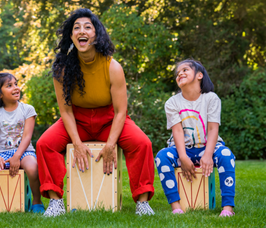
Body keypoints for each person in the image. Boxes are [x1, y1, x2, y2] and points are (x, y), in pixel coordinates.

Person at [36, 8, 155, 217]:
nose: (82, 31)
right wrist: (78, 144)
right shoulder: (61, 69)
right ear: (71, 36)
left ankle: (143, 202)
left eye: (87, 27)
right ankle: (55, 202)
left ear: (96, 35)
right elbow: (65, 111)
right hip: (77, 120)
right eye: (76, 28)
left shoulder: (112, 66)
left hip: (110, 119)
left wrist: (110, 144)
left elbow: (120, 112)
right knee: (45, 144)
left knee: (142, 143)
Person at [155, 59, 236, 217]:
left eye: (185, 70)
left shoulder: (211, 98)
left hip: (209, 147)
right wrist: (183, 157)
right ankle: (176, 207)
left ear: (199, 75)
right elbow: (177, 132)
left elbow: (213, 129)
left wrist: (207, 154)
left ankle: (227, 208)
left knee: (226, 155)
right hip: (182, 149)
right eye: (178, 72)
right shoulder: (172, 103)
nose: (180, 73)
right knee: (161, 157)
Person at [0, 73, 44, 213]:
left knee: (33, 169)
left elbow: (27, 136)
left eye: (16, 84)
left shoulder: (28, 109)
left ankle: (37, 201)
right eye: (9, 85)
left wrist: (17, 156)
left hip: (24, 151)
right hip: (2, 153)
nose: (16, 88)